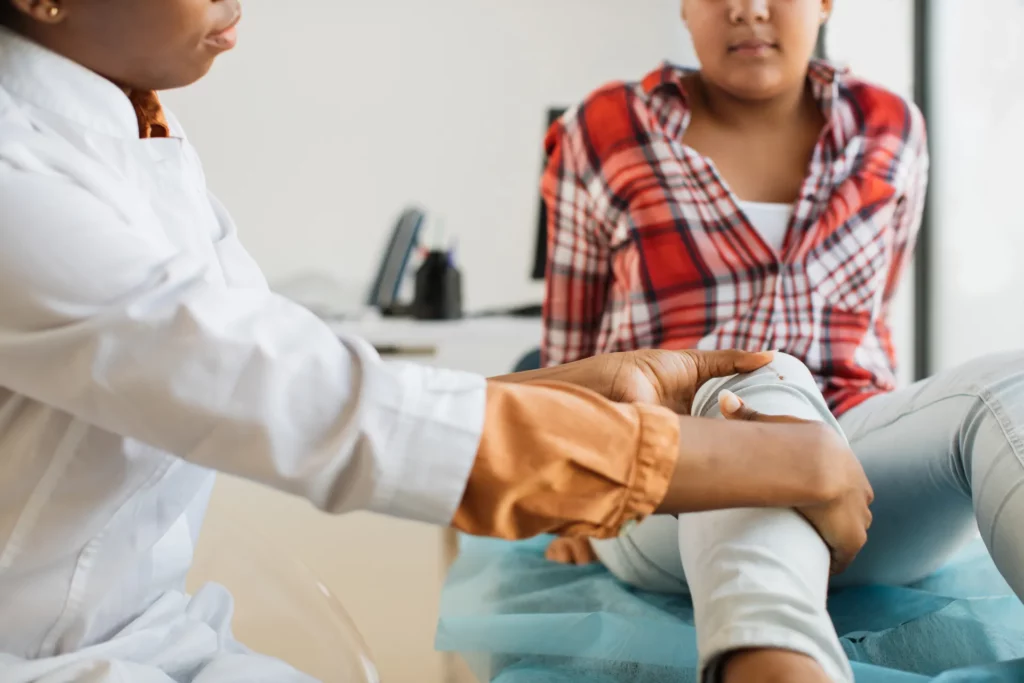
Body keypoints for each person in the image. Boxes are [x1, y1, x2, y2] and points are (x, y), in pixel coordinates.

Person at [0, 1, 877, 682]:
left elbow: (296, 360)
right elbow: (303, 401)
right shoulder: (17, 176)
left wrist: (585, 387)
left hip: (146, 640)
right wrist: (773, 463)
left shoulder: (137, 127)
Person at [541, 0, 1024, 681]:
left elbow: (875, 313)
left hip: (855, 461)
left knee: (1010, 384)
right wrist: (568, 508)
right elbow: (569, 348)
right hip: (667, 474)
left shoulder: (894, 127)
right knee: (754, 393)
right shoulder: (602, 129)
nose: (747, 9)